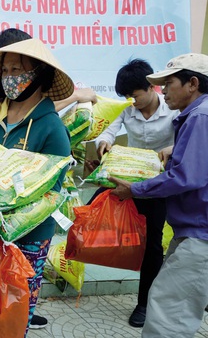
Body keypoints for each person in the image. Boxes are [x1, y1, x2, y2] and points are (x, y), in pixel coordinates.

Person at [0, 38, 73, 336]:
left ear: (39, 75)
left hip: (28, 238)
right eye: (7, 69)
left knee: (14, 312)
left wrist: (8, 217)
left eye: (18, 69)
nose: (10, 76)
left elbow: (52, 192)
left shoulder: (51, 126)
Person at [110, 53, 208, 338]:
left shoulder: (199, 117)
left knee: (168, 312)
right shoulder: (195, 116)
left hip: (200, 233)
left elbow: (186, 177)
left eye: (168, 84)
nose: (163, 90)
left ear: (191, 83)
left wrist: (135, 189)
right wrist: (175, 152)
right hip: (191, 229)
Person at [87, 58, 179, 327]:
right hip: (130, 181)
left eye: (135, 95)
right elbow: (110, 131)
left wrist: (171, 150)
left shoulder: (173, 111)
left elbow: (186, 139)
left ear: (152, 88)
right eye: (126, 97)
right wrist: (104, 142)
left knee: (152, 244)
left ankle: (143, 304)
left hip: (158, 185)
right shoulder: (127, 109)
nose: (132, 101)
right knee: (95, 212)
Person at [0, 28, 96, 111]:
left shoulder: (41, 80)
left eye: (16, 68)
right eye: (5, 69)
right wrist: (76, 96)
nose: (9, 76)